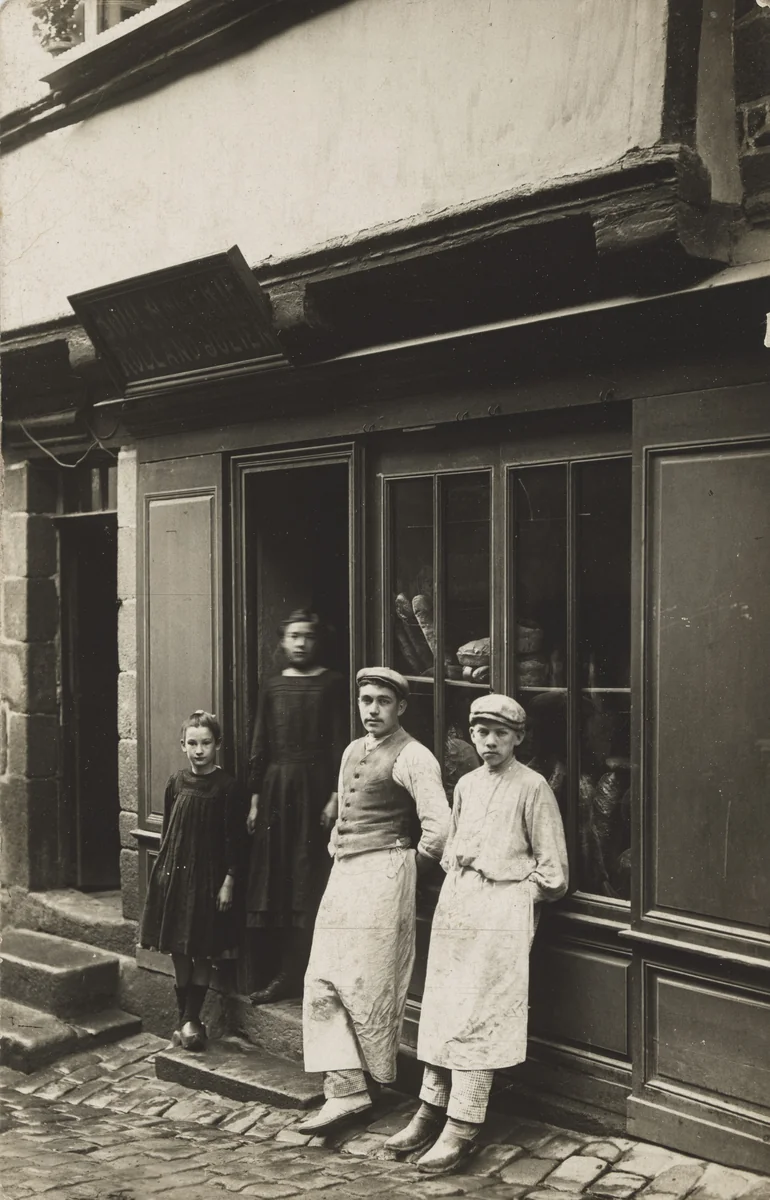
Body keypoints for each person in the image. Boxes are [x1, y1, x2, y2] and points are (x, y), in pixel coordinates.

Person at [385, 694, 568, 1175]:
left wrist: (515, 896)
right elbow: (453, 846)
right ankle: (430, 1108)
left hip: (502, 910)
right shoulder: (465, 784)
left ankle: (463, 1123)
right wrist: (461, 882)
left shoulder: (533, 788)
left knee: (478, 1012)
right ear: (471, 735)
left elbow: (554, 873)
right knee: (445, 1007)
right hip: (459, 904)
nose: (489, 742)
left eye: (500, 734)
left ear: (518, 738)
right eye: (481, 732)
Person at [296, 667, 451, 1135]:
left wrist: (404, 868)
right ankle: (346, 1089)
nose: (372, 710)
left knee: (367, 983)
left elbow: (440, 830)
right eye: (365, 700)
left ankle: (365, 1084)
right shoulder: (352, 750)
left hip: (384, 873)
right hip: (346, 873)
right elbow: (345, 812)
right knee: (322, 978)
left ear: (400, 707)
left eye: (383, 701)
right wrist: (338, 849)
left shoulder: (414, 756)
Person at [246, 609, 348, 1003]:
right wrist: (255, 798)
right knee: (277, 876)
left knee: (308, 876)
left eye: (307, 636)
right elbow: (260, 741)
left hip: (315, 787)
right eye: (293, 636)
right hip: (276, 789)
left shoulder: (331, 683)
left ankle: (306, 972)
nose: (301, 643)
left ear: (316, 641)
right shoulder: (272, 686)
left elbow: (341, 741)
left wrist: (336, 797)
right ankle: (279, 972)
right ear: (282, 642)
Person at [139, 710, 245, 1051]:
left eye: (206, 743)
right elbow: (168, 832)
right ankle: (186, 1019)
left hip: (208, 879)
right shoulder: (177, 782)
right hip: (177, 875)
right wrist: (162, 877)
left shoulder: (227, 786)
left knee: (201, 950)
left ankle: (191, 1019)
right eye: (193, 744)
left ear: (217, 745)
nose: (199, 750)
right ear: (183, 745)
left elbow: (235, 839)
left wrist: (228, 880)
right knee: (179, 950)